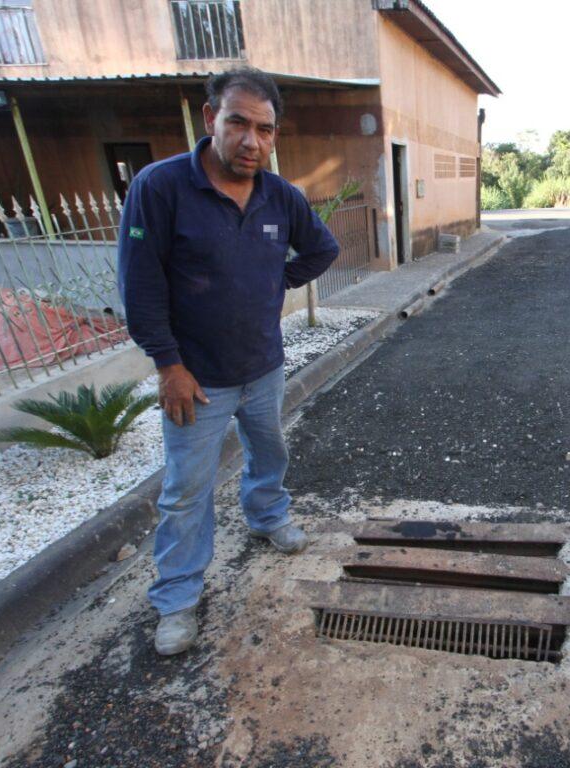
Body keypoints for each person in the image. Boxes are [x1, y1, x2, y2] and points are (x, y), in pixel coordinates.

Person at [117, 67, 339, 655]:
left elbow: (323, 248)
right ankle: (178, 598)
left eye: (265, 130)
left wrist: (275, 285)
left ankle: (267, 517)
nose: (252, 141)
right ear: (209, 116)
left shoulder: (279, 194)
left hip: (262, 366)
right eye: (238, 122)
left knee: (270, 452)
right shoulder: (160, 187)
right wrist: (169, 365)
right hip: (196, 380)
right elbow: (140, 287)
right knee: (186, 490)